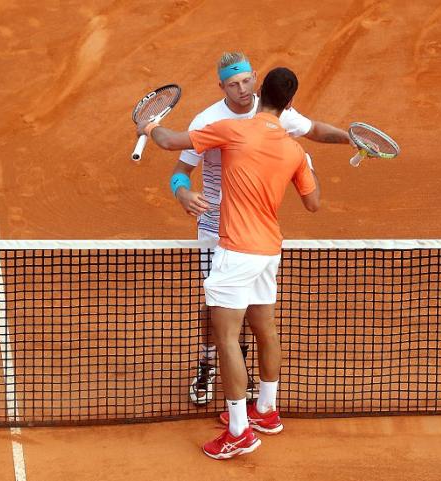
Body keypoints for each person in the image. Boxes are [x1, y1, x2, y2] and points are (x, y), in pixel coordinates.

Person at [137, 66, 320, 460]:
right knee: (265, 328)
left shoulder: (233, 130)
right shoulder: (294, 150)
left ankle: (239, 432)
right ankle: (266, 410)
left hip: (235, 251)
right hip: (269, 250)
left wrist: (147, 126)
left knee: (226, 338)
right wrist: (309, 166)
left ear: (259, 90)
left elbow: (168, 141)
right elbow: (313, 203)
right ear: (289, 103)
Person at [174, 52, 351, 406]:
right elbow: (180, 171)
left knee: (252, 310)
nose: (242, 90)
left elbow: (315, 130)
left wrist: (351, 138)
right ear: (221, 86)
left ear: (255, 78)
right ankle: (208, 364)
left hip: (254, 231)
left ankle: (240, 374)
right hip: (214, 226)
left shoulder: (275, 111)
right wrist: (182, 193)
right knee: (216, 307)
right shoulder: (208, 120)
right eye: (233, 84)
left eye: (246, 82)